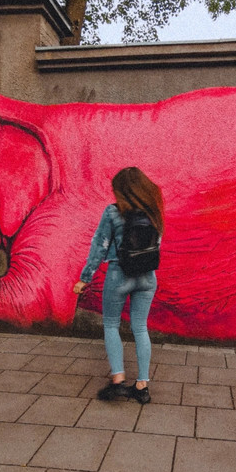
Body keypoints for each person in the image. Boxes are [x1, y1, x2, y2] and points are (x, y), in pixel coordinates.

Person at [73, 167, 164, 404]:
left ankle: (118, 380)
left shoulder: (113, 212)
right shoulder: (154, 213)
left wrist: (85, 278)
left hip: (119, 274)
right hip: (147, 277)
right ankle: (142, 386)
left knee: (111, 325)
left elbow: (99, 246)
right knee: (140, 327)